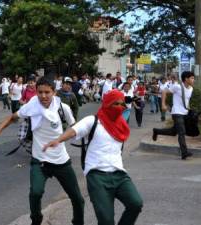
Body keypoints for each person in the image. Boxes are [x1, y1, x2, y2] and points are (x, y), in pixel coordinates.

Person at [0, 78, 84, 225]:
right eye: (40, 92)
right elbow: (13, 117)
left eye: (47, 92)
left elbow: (76, 128)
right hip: (40, 161)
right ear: (36, 92)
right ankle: (36, 220)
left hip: (61, 161)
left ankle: (78, 222)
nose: (43, 96)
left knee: (77, 198)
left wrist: (68, 138)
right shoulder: (31, 106)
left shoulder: (63, 108)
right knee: (35, 193)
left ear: (54, 92)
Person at [44, 89, 143, 225]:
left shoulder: (122, 126)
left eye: (121, 104)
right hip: (96, 175)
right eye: (115, 104)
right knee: (106, 220)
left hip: (119, 173)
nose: (119, 107)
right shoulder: (93, 121)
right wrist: (58, 140)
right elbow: (74, 130)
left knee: (136, 203)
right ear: (107, 104)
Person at [153, 71, 195, 160]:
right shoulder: (178, 87)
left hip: (185, 113)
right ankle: (184, 152)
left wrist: (189, 110)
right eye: (192, 78)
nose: (193, 80)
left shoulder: (191, 89)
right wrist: (163, 105)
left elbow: (186, 101)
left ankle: (156, 131)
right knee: (182, 132)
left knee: (173, 132)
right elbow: (164, 91)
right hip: (177, 113)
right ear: (186, 79)